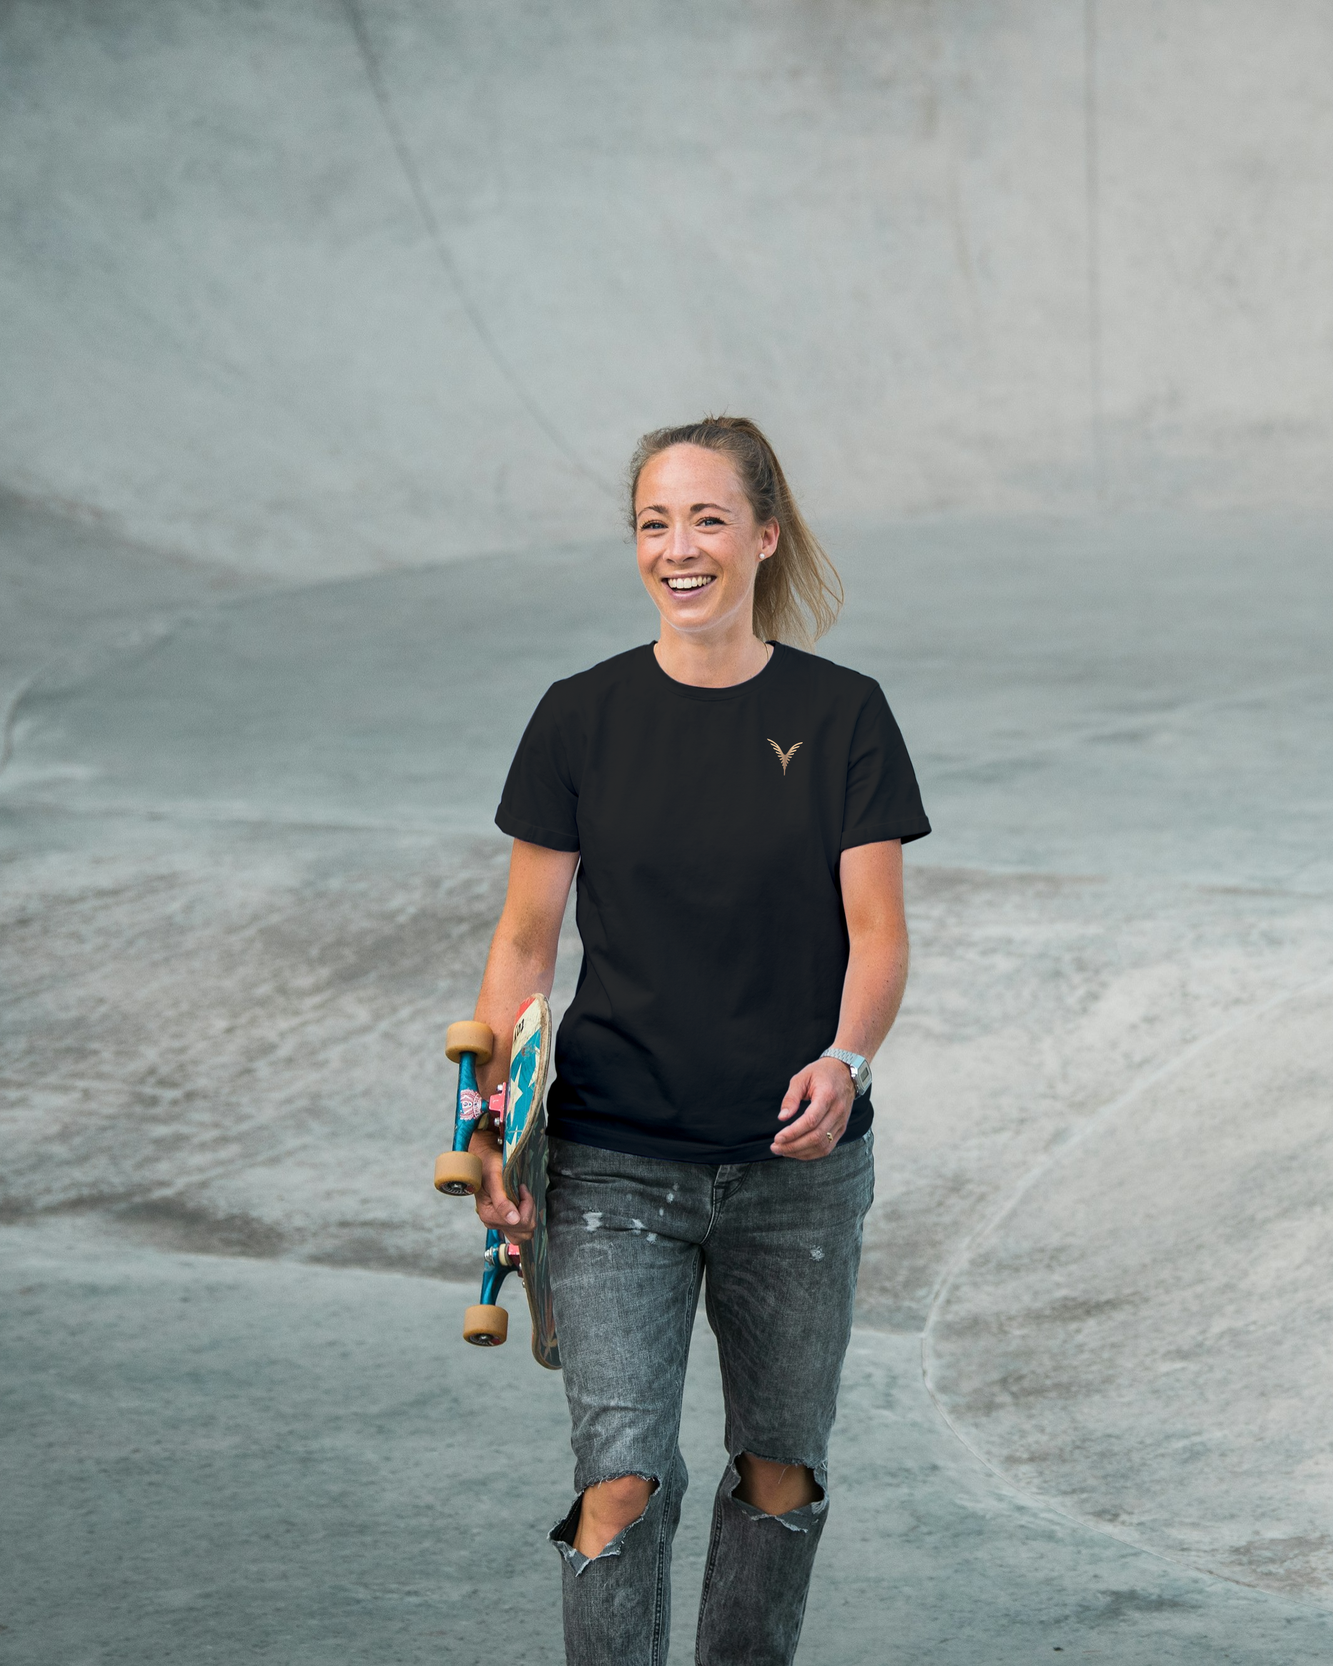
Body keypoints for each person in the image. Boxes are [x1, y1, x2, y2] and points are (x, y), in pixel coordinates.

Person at [464, 416, 928, 1665]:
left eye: (709, 519)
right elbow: (522, 946)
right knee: (621, 1481)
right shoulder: (578, 718)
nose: (680, 547)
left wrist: (849, 1060)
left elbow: (877, 937)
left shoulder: (843, 717)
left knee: (778, 1470)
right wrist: (492, 1124)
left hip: (798, 1172)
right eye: (655, 522)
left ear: (764, 537)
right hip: (613, 1162)